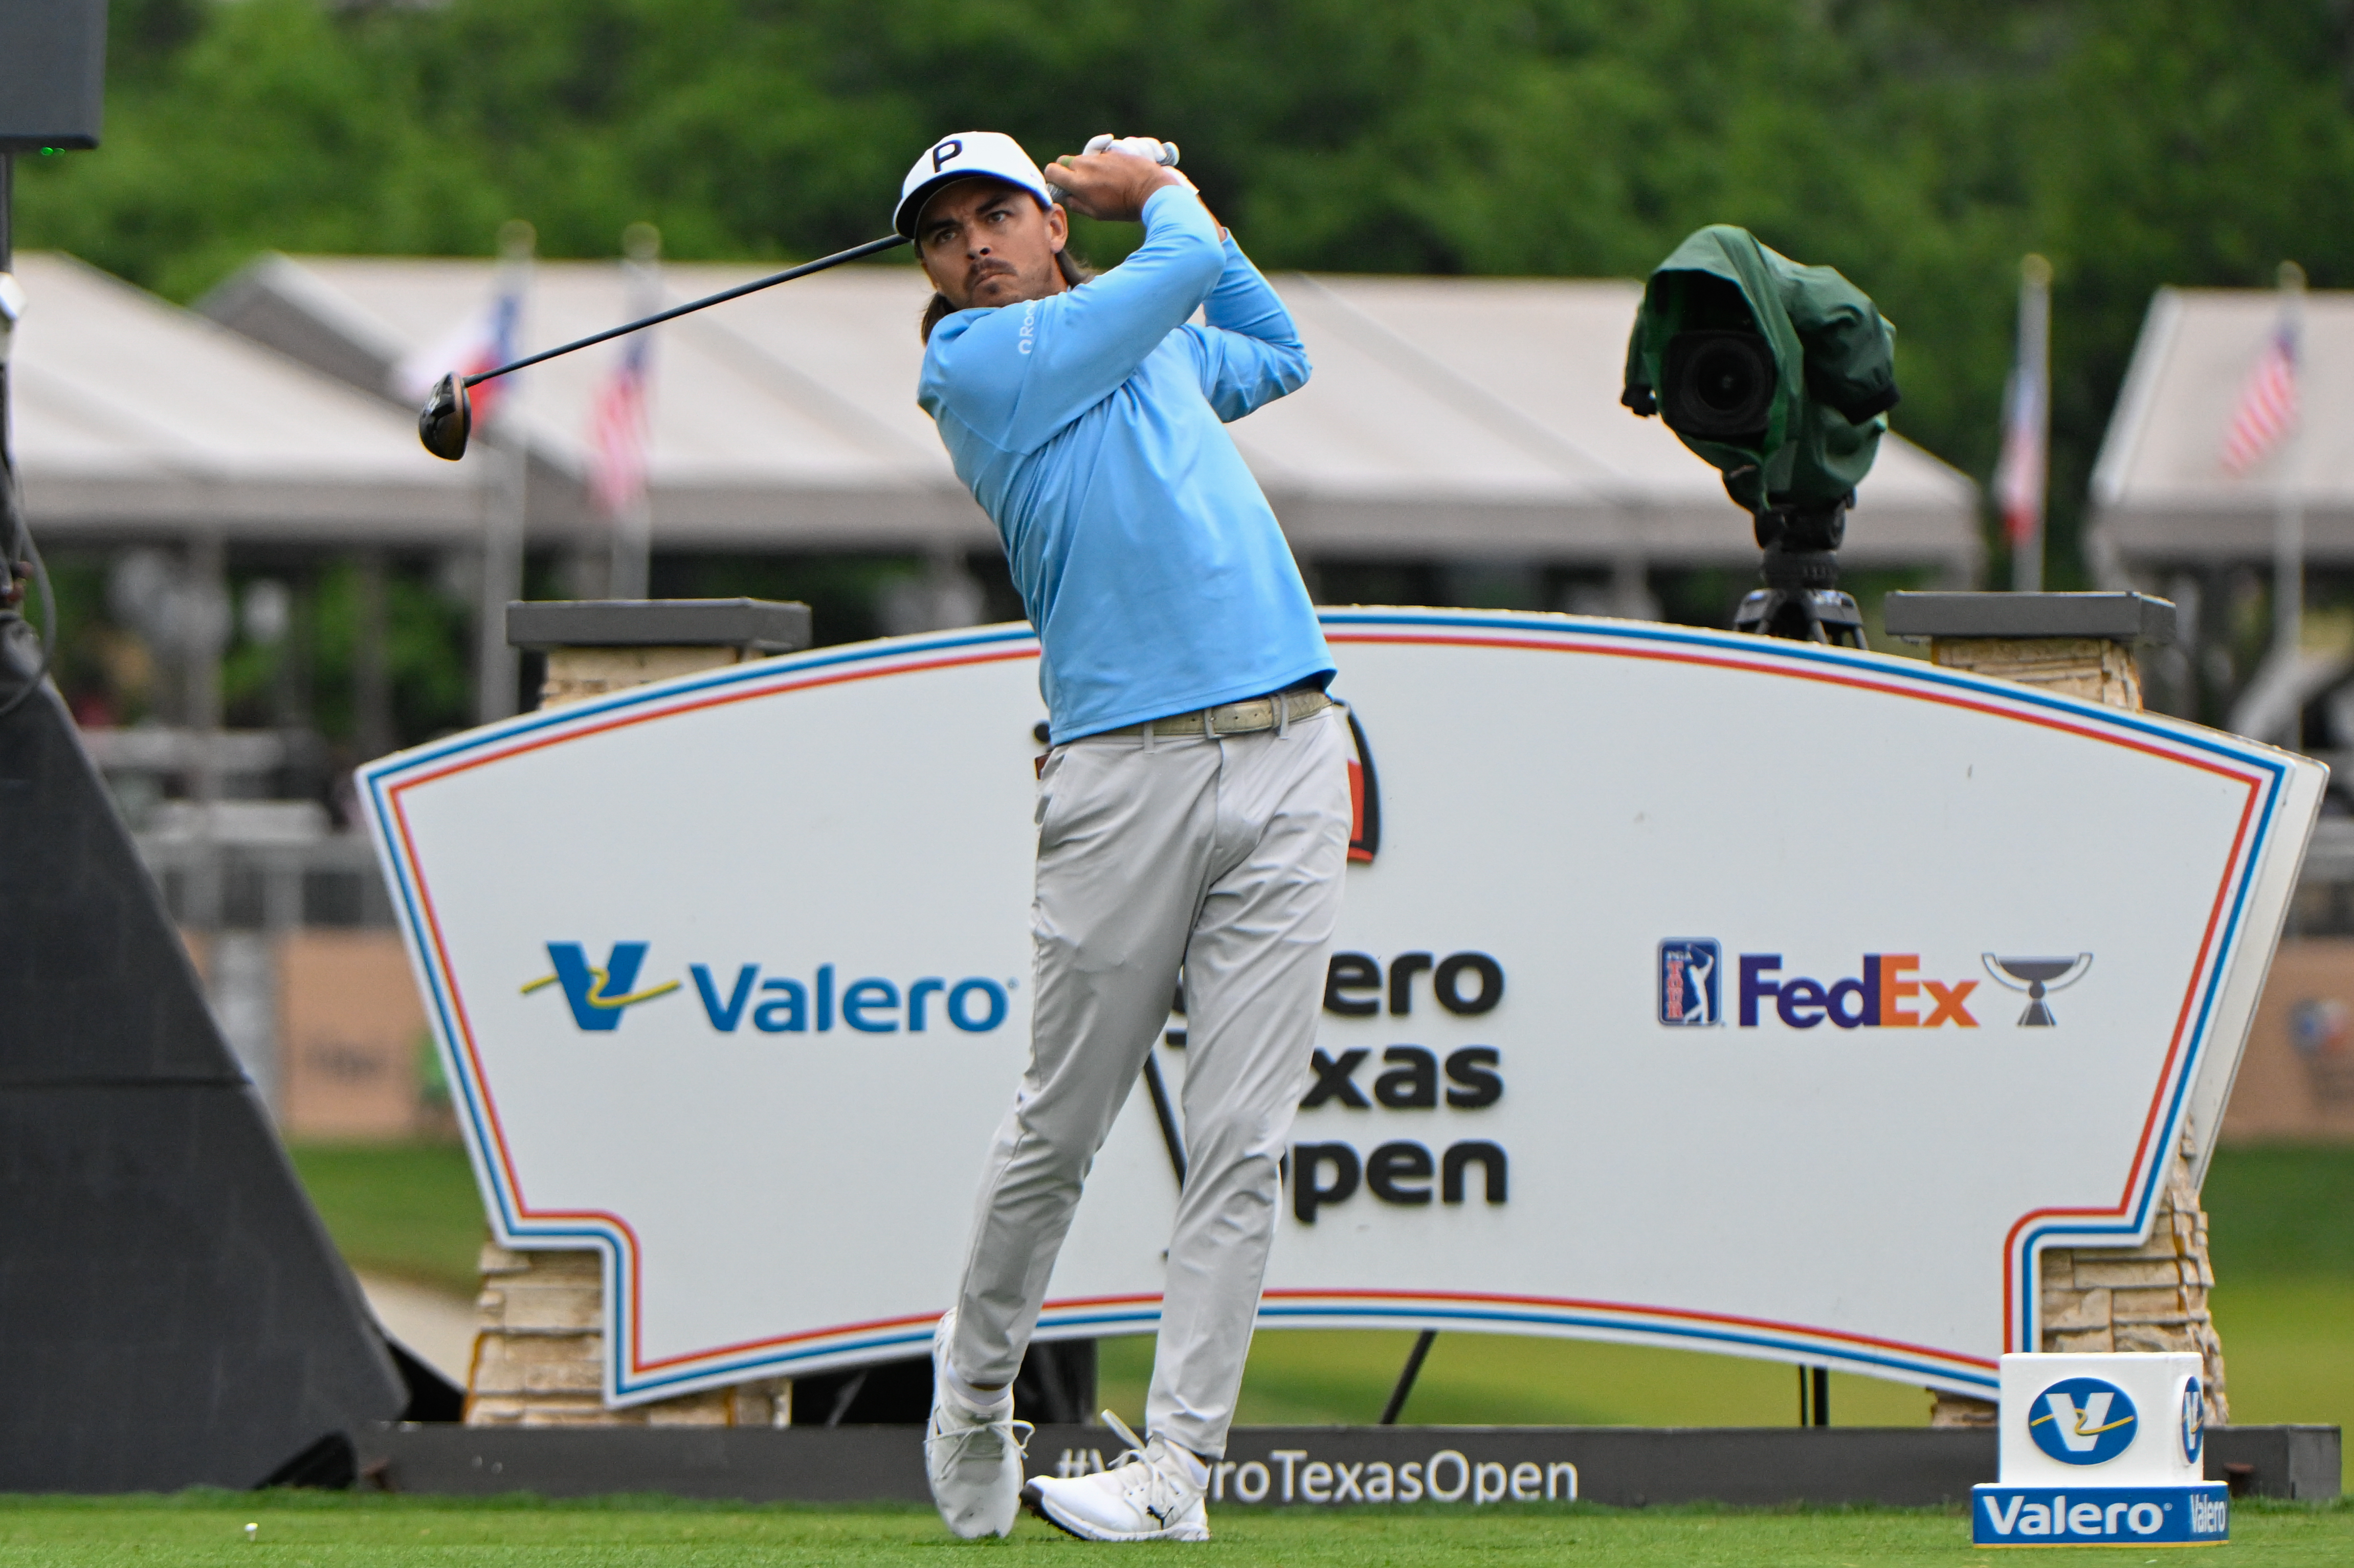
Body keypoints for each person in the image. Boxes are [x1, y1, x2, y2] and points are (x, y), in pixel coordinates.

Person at [897, 130, 1350, 1542]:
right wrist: (1155, 188)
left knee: (1242, 1140)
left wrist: (1169, 210)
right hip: (1121, 781)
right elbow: (1190, 263)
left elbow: (1272, 349)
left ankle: (1176, 1471)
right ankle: (972, 1397)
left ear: (1049, 227)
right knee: (1061, 1123)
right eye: (940, 230)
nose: (971, 242)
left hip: (1289, 748)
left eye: (997, 213)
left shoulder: (1146, 344)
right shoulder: (972, 370)